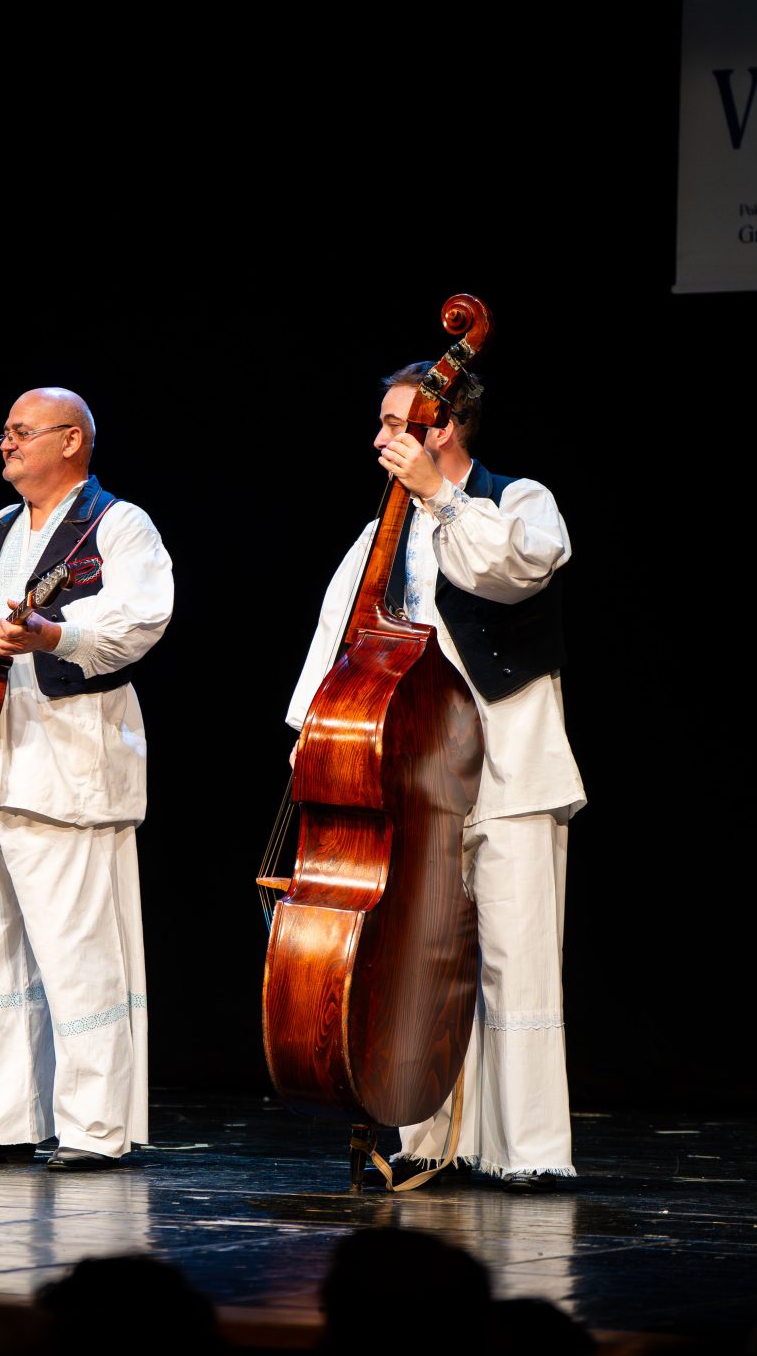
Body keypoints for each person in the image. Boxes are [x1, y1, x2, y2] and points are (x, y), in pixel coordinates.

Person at [285, 363, 583, 1190]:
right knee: (426, 960)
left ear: (440, 427)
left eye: (396, 422)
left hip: (511, 766)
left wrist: (441, 498)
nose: (381, 438)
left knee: (518, 958)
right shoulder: (383, 528)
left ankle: (530, 1153)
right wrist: (312, 733)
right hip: (416, 778)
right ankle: (428, 1138)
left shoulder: (518, 500)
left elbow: (511, 570)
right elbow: (340, 631)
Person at [0, 387, 173, 1171]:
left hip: (65, 765)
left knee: (77, 950)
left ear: (71, 441)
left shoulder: (117, 524)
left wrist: (56, 633)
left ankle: (93, 1127)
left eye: (21, 432)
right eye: (5, 433)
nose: (6, 444)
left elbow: (141, 616)